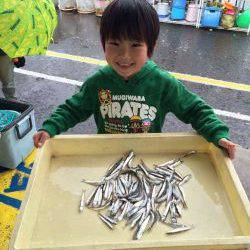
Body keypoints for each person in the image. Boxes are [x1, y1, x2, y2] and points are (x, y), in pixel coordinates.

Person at [33, 0, 236, 159]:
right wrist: (50, 128)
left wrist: (218, 134)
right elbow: (73, 109)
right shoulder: (98, 82)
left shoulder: (162, 83)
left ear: (151, 46)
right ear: (103, 44)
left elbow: (195, 110)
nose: (124, 56)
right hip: (106, 154)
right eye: (114, 43)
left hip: (148, 157)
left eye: (135, 45)